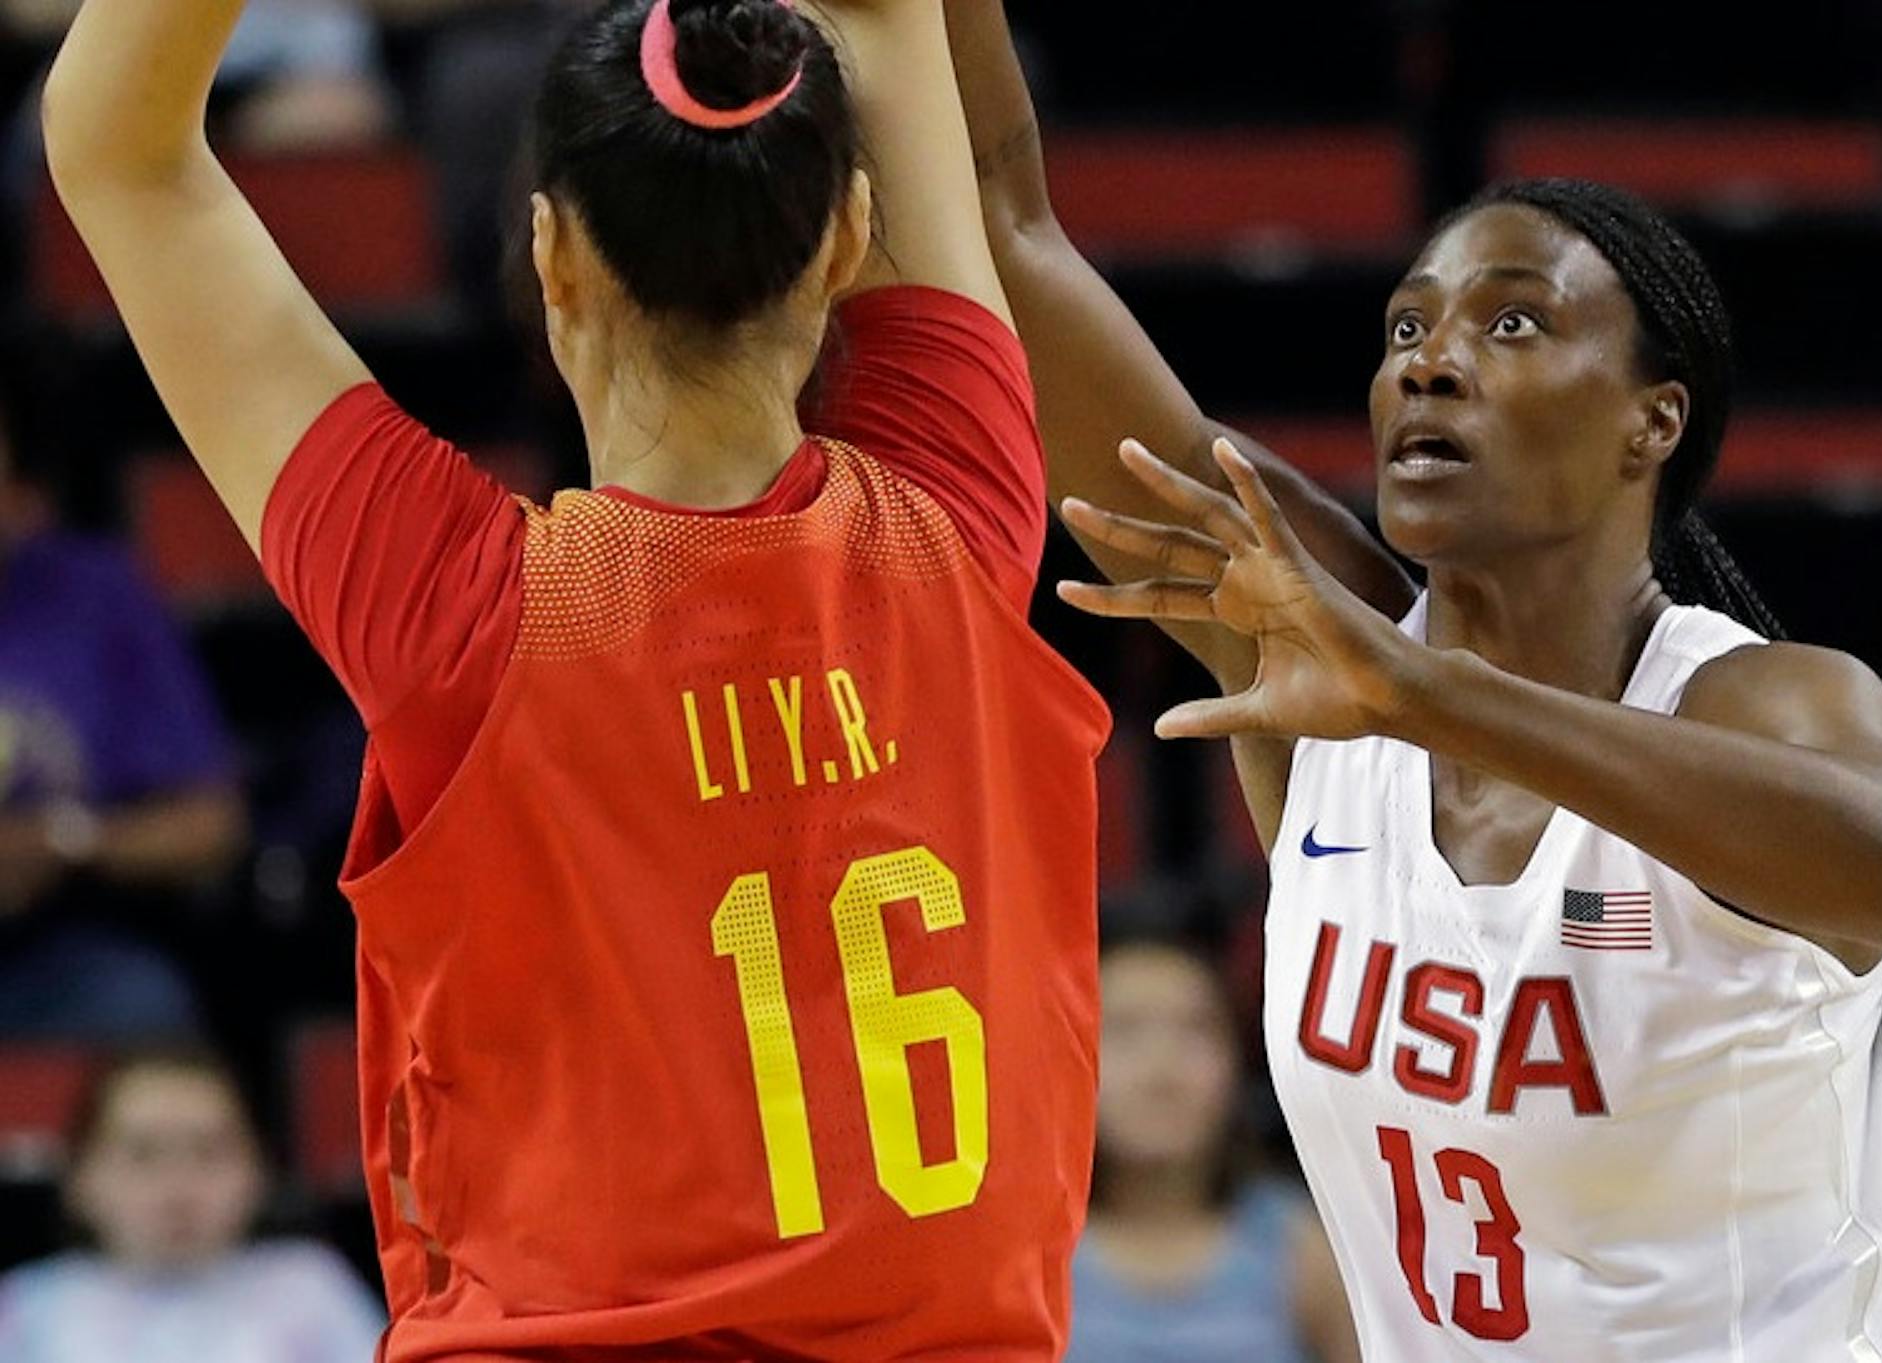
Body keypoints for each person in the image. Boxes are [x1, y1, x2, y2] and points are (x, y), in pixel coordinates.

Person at [942, 4, 1882, 1358]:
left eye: (1513, 321)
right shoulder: (1316, 642)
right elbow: (1010, 238)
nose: (1428, 357)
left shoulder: (1745, 699)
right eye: (1406, 325)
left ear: (1655, 419)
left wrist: (1427, 694)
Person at [43, 0, 1109, 1354]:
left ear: (550, 256)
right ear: (843, 235)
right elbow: (888, 20)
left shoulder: (468, 618)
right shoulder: (957, 518)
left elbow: (116, 145)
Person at [0, 384, 245, 1040]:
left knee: (143, 1004)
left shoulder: (97, 594)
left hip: (61, 957)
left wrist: (65, 839)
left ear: (21, 490)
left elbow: (211, 824)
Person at [1069, 928, 1357, 1363]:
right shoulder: (1027, 1259)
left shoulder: (1302, 1252)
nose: (1161, 1071)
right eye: (1123, 1032)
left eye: (1195, 1031)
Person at [0, 1044, 385, 1362]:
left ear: (261, 1170)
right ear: (79, 1177)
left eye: (208, 1152)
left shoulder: (310, 1286)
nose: (178, 1187)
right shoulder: (25, 1307)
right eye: (143, 1154)